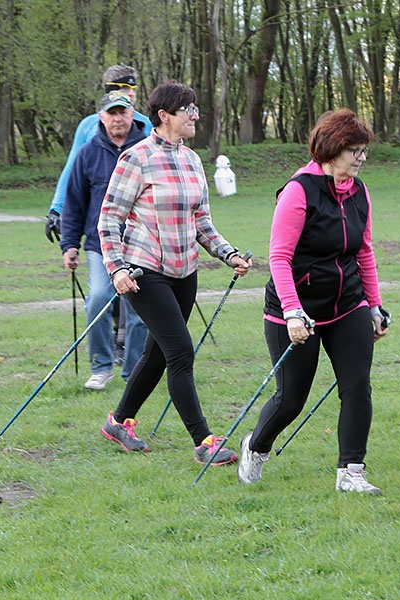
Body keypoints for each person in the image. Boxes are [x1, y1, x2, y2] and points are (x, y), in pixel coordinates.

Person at [236, 108, 390, 494]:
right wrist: (292, 311)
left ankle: (351, 471)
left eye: (364, 150)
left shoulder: (359, 192)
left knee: (357, 385)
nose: (361, 158)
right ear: (331, 148)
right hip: (295, 308)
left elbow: (364, 251)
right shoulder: (299, 190)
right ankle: (255, 447)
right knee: (291, 399)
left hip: (347, 304)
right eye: (354, 150)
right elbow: (279, 258)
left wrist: (374, 304)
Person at [97, 81, 252, 465]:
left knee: (157, 353)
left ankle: (118, 421)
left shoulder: (193, 160)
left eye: (195, 108)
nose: (195, 115)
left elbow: (202, 222)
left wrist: (228, 254)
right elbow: (108, 219)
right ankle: (203, 442)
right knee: (180, 351)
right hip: (144, 270)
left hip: (186, 270)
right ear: (164, 116)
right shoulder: (136, 158)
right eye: (188, 110)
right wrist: (116, 268)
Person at [59, 91, 149, 389]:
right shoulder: (88, 152)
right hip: (100, 244)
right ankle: (101, 366)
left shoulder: (148, 148)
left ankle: (134, 370)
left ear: (132, 114)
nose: (118, 118)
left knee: (137, 309)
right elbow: (74, 202)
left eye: (123, 112)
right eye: (112, 113)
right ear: (101, 117)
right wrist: (69, 244)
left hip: (140, 243)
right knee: (98, 298)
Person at [44, 64, 153, 243]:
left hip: (139, 228)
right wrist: (55, 210)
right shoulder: (88, 126)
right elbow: (71, 172)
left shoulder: (148, 126)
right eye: (125, 88)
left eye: (133, 88)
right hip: (100, 228)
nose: (132, 93)